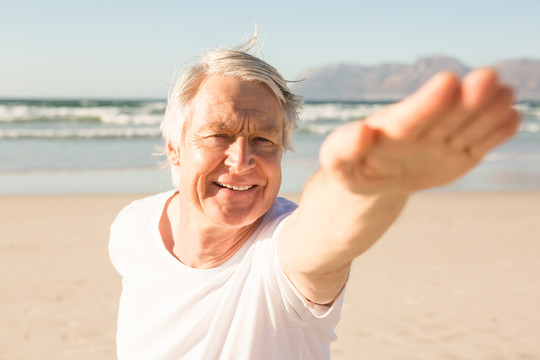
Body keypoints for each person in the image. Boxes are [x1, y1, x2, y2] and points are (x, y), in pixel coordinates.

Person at [109, 38, 520, 359]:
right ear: (174, 147)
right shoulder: (133, 229)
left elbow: (326, 232)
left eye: (264, 139)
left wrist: (370, 182)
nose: (242, 159)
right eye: (219, 135)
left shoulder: (280, 254)